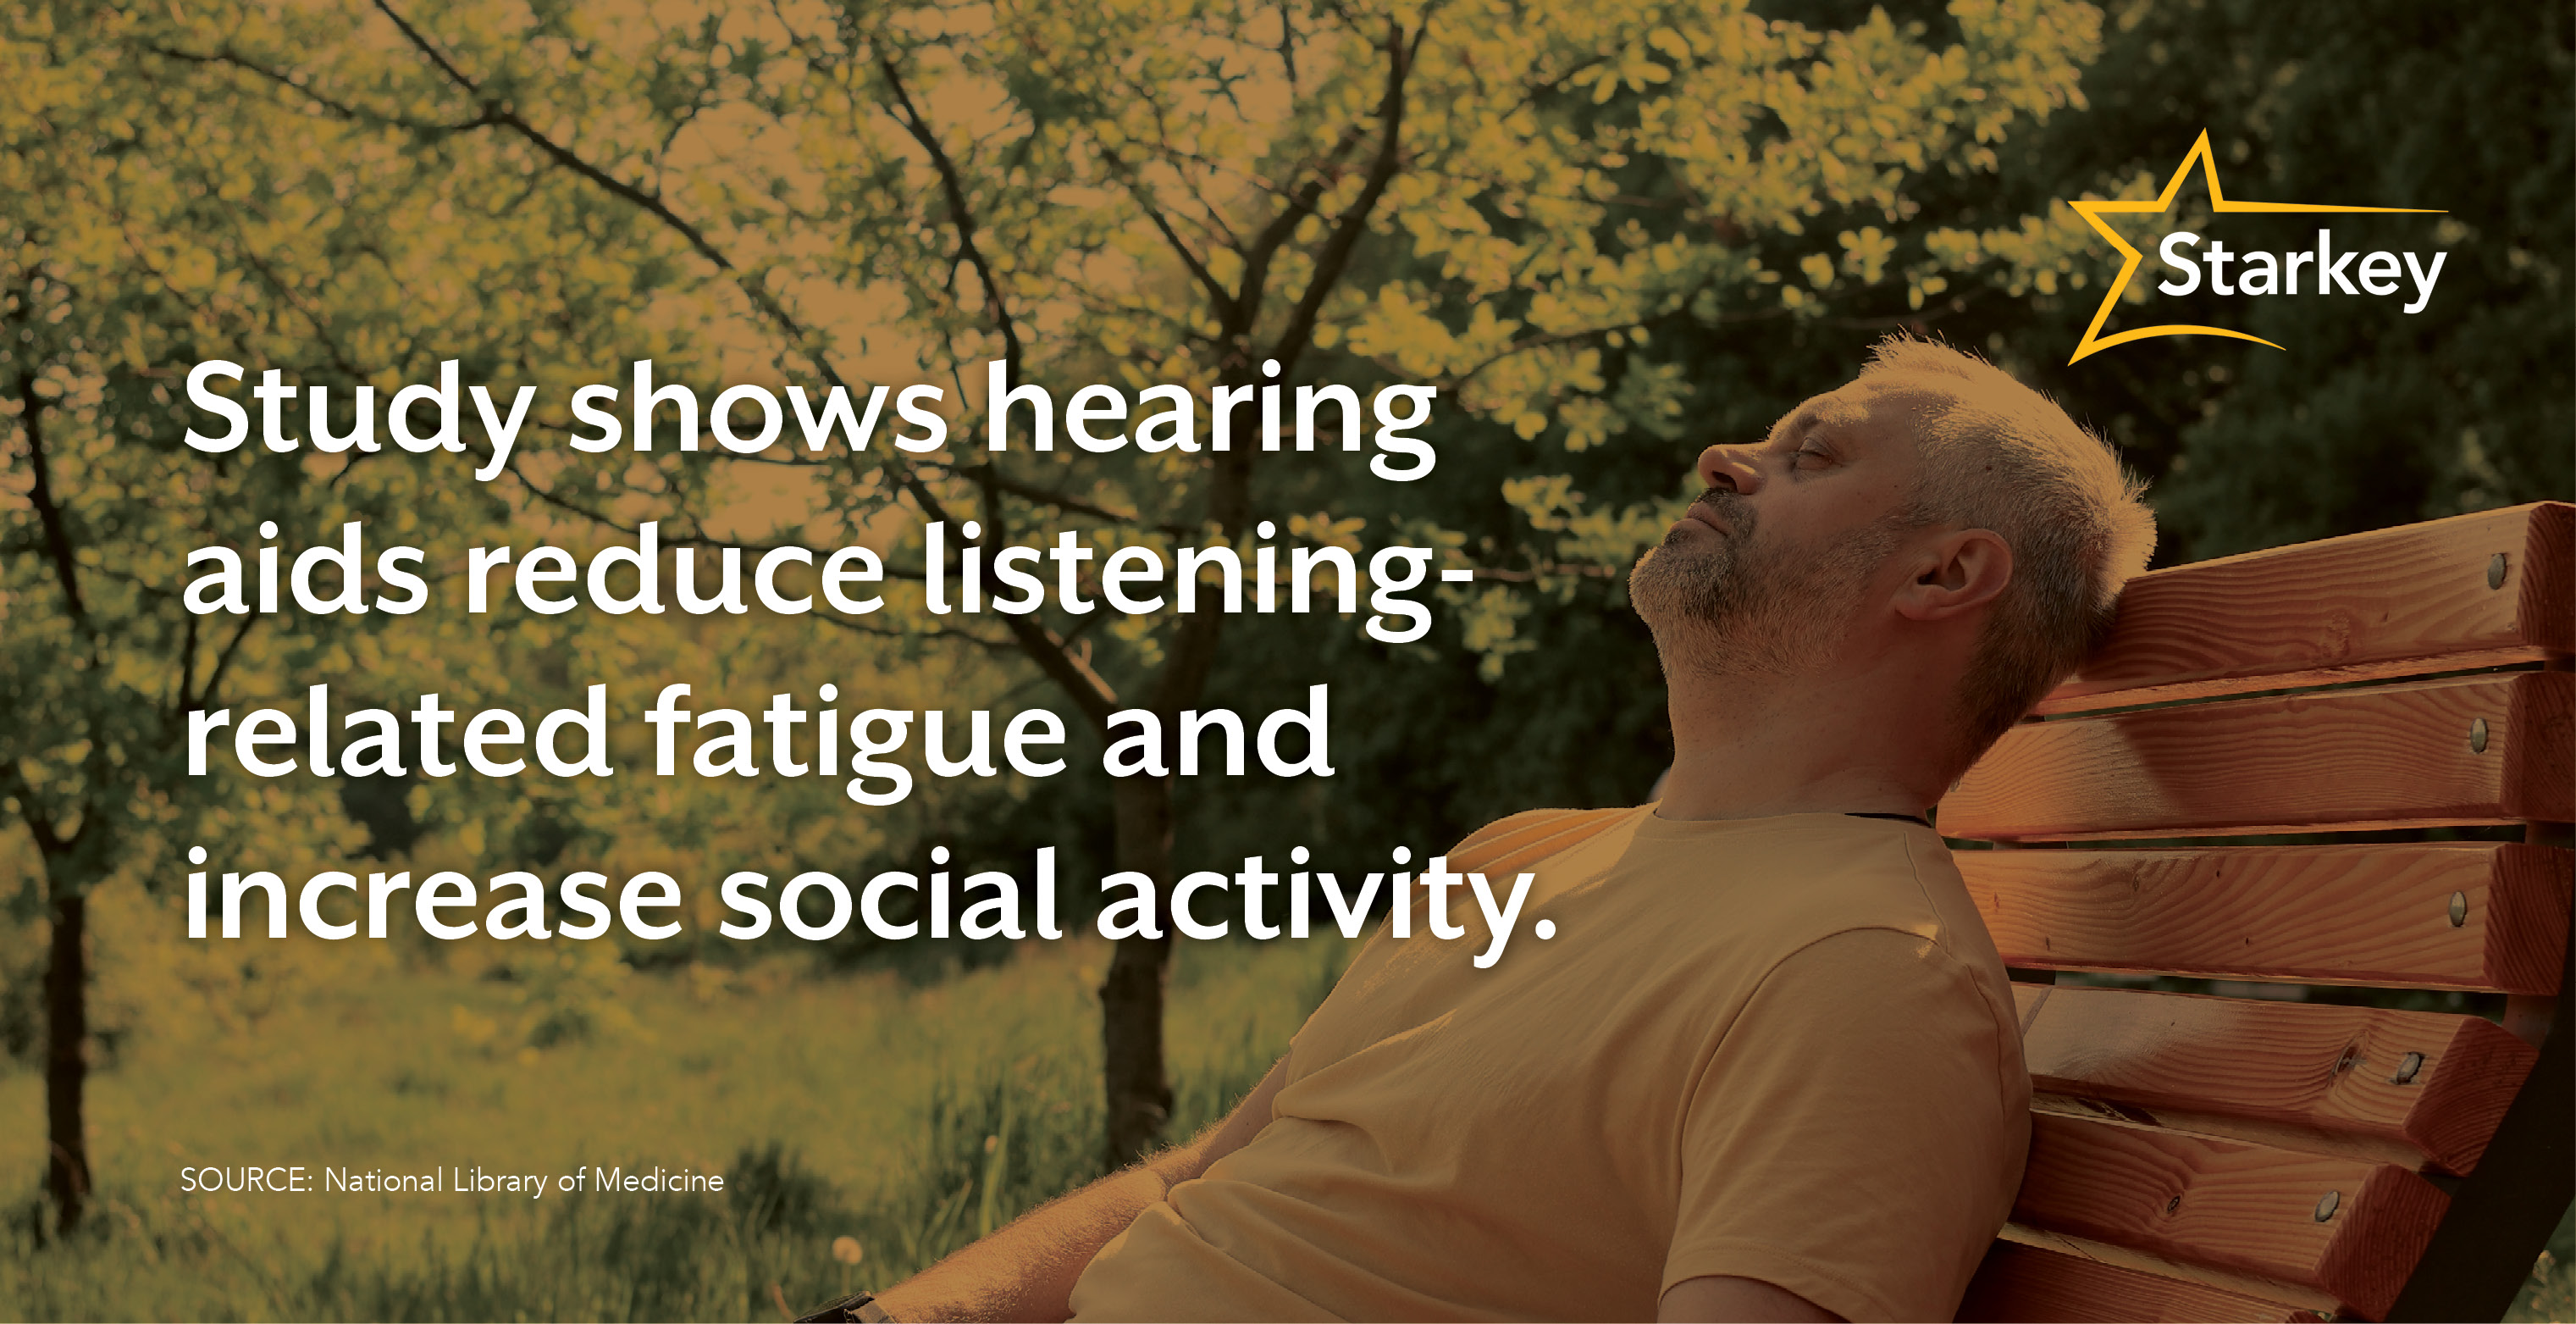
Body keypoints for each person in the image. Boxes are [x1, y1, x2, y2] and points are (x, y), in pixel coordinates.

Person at [861, 335, 2158, 1323]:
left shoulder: (1862, 977)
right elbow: (1184, 1187)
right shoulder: (1516, 855)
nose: (1725, 457)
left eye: (1810, 456)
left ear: (1943, 575)